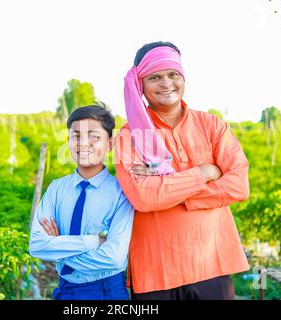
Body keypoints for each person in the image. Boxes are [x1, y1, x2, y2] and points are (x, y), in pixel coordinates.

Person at [114, 41, 250, 300]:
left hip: (212, 263)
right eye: (155, 77)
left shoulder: (212, 126)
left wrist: (170, 190)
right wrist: (203, 173)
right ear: (140, 84)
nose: (166, 83)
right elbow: (144, 198)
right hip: (156, 273)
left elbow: (239, 186)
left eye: (173, 74)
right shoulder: (130, 136)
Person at [29, 104, 134, 300]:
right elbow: (36, 245)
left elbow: (114, 257)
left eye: (94, 136)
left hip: (106, 291)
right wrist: (93, 242)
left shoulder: (122, 191)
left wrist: (58, 247)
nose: (83, 143)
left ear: (109, 144)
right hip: (65, 290)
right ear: (68, 141)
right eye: (76, 136)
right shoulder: (56, 189)